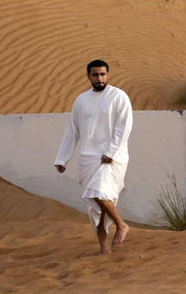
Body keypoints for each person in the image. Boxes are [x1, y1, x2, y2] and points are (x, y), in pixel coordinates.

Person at [54, 59, 133, 255]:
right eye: (95, 75)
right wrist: (62, 159)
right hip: (88, 158)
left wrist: (112, 153)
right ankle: (104, 248)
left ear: (108, 74)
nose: (100, 78)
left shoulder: (118, 96)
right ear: (88, 76)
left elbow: (124, 128)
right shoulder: (81, 100)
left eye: (103, 74)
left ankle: (122, 225)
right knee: (94, 206)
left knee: (98, 194)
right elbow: (72, 131)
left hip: (110, 158)